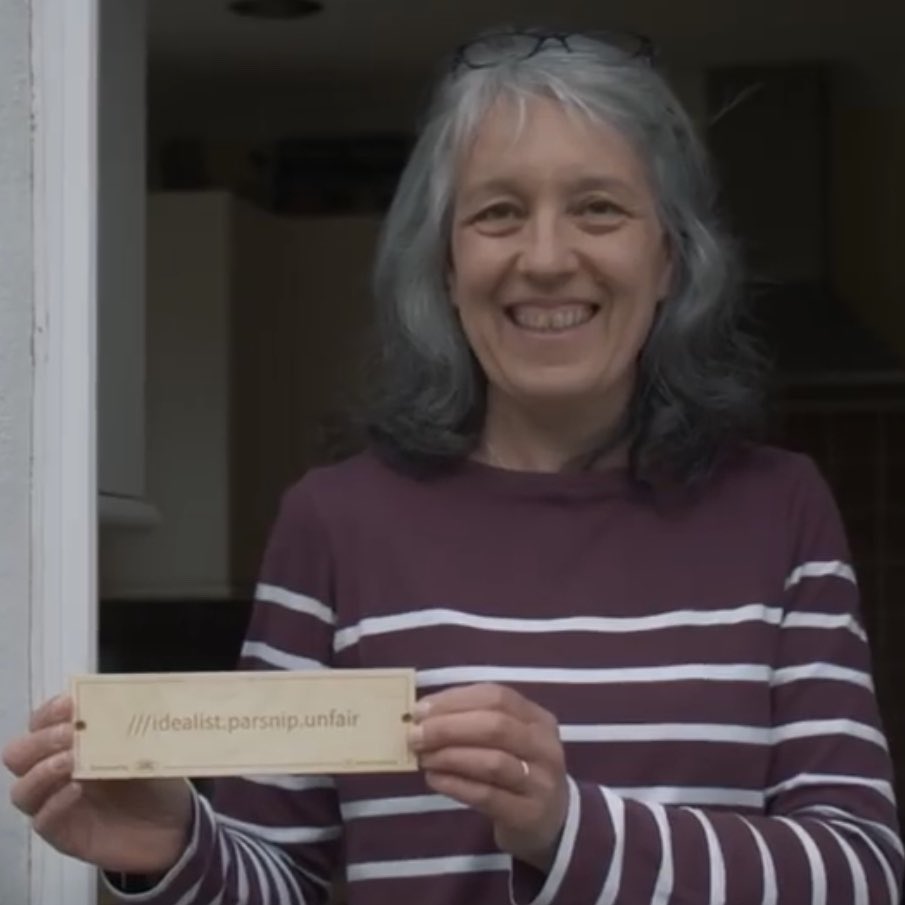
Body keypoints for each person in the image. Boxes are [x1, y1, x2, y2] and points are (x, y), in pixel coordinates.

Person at [4, 26, 903, 905]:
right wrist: (174, 849)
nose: (544, 258)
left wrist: (569, 830)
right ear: (443, 264)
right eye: (497, 212)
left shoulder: (778, 509)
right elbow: (278, 878)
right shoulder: (336, 523)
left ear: (668, 257)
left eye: (598, 207)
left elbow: (860, 871)